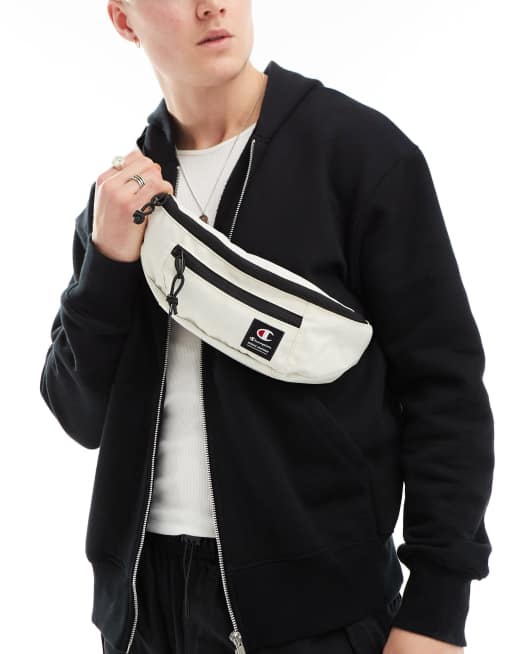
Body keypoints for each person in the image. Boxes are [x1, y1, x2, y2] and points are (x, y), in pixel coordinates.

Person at [40, 1, 495, 653]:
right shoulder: (122, 196)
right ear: (123, 20)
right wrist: (107, 263)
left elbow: (445, 392)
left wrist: (435, 612)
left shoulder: (359, 155)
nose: (211, 5)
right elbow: (79, 415)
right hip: (142, 617)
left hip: (321, 619)